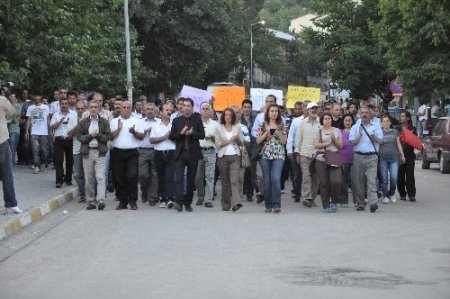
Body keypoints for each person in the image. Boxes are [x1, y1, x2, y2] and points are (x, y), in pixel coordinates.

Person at [169, 98, 205, 212]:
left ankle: (187, 202)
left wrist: (192, 133)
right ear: (181, 107)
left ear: (192, 107)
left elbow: (202, 135)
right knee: (178, 178)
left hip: (193, 153)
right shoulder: (176, 120)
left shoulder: (197, 119)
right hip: (180, 153)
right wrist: (181, 133)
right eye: (184, 105)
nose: (186, 108)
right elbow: (172, 136)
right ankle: (178, 202)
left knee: (191, 179)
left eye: (188, 106)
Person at [76, 101, 111, 210]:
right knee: (89, 179)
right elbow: (79, 137)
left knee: (100, 177)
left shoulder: (104, 122)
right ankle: (91, 201)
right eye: (91, 107)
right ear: (88, 108)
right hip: (87, 152)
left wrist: (98, 135)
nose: (93, 109)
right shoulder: (83, 122)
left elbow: (107, 137)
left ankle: (100, 200)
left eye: (95, 107)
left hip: (100, 152)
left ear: (99, 108)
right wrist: (91, 136)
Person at [110, 101, 144, 210]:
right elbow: (110, 137)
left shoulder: (137, 121)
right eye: (123, 107)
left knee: (132, 176)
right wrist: (119, 129)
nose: (126, 109)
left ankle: (133, 201)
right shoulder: (114, 121)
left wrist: (134, 132)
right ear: (120, 108)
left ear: (131, 108)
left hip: (132, 152)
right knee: (119, 178)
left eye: (128, 107)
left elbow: (141, 136)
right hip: (117, 152)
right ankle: (122, 201)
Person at [349, 106, 383, 213]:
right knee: (358, 181)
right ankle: (360, 203)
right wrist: (358, 136)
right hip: (358, 156)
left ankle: (373, 203)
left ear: (370, 114)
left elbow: (381, 141)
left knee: (371, 181)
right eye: (362, 113)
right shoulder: (355, 127)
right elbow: (352, 142)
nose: (364, 114)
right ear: (359, 114)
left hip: (372, 156)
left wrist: (375, 137)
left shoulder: (376, 126)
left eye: (366, 113)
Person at [256, 104, 287, 213]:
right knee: (267, 180)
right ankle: (268, 205)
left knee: (275, 179)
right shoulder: (262, 124)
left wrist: (278, 132)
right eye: (272, 111)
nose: (274, 113)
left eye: (276, 111)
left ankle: (276, 204)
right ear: (268, 113)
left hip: (278, 155)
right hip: (265, 155)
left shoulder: (282, 124)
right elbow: (258, 140)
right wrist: (266, 133)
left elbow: (283, 141)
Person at [313, 112, 343, 212]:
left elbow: (340, 146)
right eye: (325, 118)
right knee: (324, 183)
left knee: (336, 181)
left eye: (329, 118)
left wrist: (334, 140)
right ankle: (326, 205)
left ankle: (334, 202)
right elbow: (316, 145)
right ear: (322, 120)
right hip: (321, 159)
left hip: (334, 158)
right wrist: (327, 143)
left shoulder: (337, 130)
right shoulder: (319, 131)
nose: (327, 120)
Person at [215, 108, 243, 212]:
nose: (227, 117)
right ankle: (226, 204)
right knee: (225, 182)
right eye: (226, 115)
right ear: (223, 116)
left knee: (234, 180)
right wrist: (228, 141)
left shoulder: (237, 126)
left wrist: (237, 139)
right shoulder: (218, 127)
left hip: (235, 156)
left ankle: (236, 203)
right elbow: (217, 144)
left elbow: (241, 142)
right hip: (223, 157)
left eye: (230, 115)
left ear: (233, 117)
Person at [150, 103, 176, 209]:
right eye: (166, 110)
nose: (169, 111)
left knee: (170, 176)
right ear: (161, 112)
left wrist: (171, 137)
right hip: (159, 153)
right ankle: (162, 198)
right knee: (161, 177)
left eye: (170, 110)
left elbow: (178, 140)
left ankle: (170, 198)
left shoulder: (174, 125)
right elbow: (152, 140)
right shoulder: (156, 125)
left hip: (171, 153)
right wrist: (164, 137)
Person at [295, 102, 321, 208]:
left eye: (316, 108)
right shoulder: (302, 123)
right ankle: (306, 197)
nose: (314, 110)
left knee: (315, 179)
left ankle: (312, 198)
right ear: (308, 110)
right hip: (304, 154)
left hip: (317, 155)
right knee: (306, 176)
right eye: (312, 108)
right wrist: (297, 153)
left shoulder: (321, 122)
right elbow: (298, 139)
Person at [0, 92, 22, 213]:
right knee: (7, 174)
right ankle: (11, 204)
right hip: (1, 141)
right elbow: (13, 114)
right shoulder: (2, 100)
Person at [195, 102, 219, 208]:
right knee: (198, 176)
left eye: (207, 108)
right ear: (200, 111)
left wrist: (212, 137)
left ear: (211, 111)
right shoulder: (196, 123)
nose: (205, 110)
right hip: (198, 151)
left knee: (210, 176)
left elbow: (219, 140)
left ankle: (208, 199)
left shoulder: (216, 124)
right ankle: (200, 196)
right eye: (203, 108)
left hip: (211, 151)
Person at [50, 97, 77, 188]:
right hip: (59, 139)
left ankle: (68, 179)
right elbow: (52, 127)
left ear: (68, 105)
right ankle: (59, 181)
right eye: (63, 103)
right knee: (59, 161)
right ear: (60, 104)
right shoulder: (56, 114)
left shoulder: (73, 114)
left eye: (66, 103)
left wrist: (72, 134)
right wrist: (59, 121)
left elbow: (77, 126)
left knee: (70, 161)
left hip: (69, 139)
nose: (64, 105)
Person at [378, 115, 405, 204]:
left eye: (387, 121)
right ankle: (385, 196)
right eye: (383, 121)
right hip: (383, 158)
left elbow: (398, 144)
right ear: (381, 123)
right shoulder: (379, 132)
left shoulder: (394, 132)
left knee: (394, 178)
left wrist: (402, 155)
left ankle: (392, 193)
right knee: (384, 179)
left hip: (394, 158)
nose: (385, 123)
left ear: (390, 122)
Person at [138, 103, 159, 205]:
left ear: (155, 111)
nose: (150, 111)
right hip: (143, 150)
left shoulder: (159, 122)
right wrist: (146, 131)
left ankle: (152, 197)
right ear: (144, 111)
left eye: (152, 109)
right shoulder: (139, 122)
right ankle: (144, 192)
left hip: (156, 150)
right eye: (148, 109)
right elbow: (137, 135)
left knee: (154, 174)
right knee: (143, 175)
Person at [286, 101, 307, 202]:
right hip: (297, 150)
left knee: (308, 173)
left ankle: (308, 194)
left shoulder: (317, 120)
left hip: (309, 150)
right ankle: (297, 193)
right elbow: (291, 135)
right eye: (305, 107)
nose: (307, 108)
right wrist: (289, 150)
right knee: (296, 173)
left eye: (308, 106)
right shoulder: (296, 121)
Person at [25, 95, 50, 174]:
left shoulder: (45, 107)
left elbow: (48, 119)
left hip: (44, 132)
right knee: (35, 150)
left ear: (40, 98)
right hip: (34, 132)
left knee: (44, 151)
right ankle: (36, 166)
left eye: (38, 97)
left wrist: (50, 130)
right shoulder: (30, 108)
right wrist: (26, 131)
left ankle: (42, 163)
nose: (36, 99)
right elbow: (28, 120)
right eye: (35, 98)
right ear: (33, 99)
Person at [397, 110, 417, 202]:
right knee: (400, 176)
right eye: (400, 116)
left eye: (403, 116)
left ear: (408, 118)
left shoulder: (412, 128)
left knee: (410, 175)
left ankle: (411, 194)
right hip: (399, 155)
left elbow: (415, 141)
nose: (401, 118)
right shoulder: (397, 129)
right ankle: (402, 194)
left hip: (409, 155)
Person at [241, 99, 258, 202]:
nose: (246, 109)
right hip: (241, 147)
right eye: (245, 107)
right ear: (242, 107)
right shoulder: (238, 117)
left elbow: (259, 131)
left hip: (252, 148)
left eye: (248, 107)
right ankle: (242, 191)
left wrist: (252, 129)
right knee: (242, 171)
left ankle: (250, 194)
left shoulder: (255, 118)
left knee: (251, 171)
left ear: (251, 108)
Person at [69, 100, 86, 202]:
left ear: (85, 108)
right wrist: (79, 124)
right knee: (78, 174)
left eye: (82, 108)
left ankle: (90, 193)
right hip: (76, 148)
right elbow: (70, 134)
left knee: (88, 173)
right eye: (78, 109)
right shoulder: (72, 118)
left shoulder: (89, 118)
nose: (80, 110)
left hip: (88, 148)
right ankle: (82, 194)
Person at [339, 114, 355, 207]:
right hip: (343, 158)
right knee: (343, 181)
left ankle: (357, 200)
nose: (348, 122)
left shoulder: (356, 131)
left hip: (355, 158)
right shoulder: (340, 132)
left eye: (349, 120)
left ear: (352, 121)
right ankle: (343, 201)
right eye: (346, 120)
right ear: (343, 122)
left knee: (355, 180)